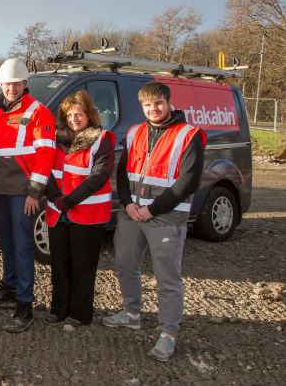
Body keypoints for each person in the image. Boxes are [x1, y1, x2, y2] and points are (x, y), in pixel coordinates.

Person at [103, 81, 205, 362]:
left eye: (158, 103)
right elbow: (123, 173)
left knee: (166, 278)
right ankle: (132, 313)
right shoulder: (135, 132)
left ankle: (168, 333)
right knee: (124, 265)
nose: (153, 109)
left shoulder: (189, 134)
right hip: (132, 214)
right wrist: (127, 203)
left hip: (166, 218)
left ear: (169, 102)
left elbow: (189, 181)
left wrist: (153, 209)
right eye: (148, 105)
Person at [0, 58, 56, 333]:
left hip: (23, 192)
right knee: (8, 243)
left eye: (17, 83)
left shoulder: (38, 112)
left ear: (25, 84)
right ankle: (9, 287)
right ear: (1, 84)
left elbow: (46, 154)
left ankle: (25, 304)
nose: (12, 88)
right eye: (7, 84)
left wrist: (35, 192)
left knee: (23, 246)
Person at [44, 90, 115, 327]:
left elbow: (100, 175)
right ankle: (58, 308)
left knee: (82, 266)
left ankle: (81, 313)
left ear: (89, 115)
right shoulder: (55, 139)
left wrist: (71, 200)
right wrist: (55, 195)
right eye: (70, 114)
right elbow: (45, 167)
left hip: (87, 213)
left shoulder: (102, 138)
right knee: (59, 263)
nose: (74, 119)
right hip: (58, 211)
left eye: (79, 114)